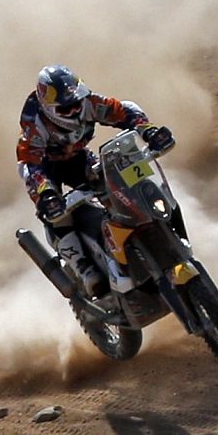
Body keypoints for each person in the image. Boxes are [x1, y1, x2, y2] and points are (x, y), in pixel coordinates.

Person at [17, 65, 174, 296]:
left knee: (118, 185)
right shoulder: (35, 126)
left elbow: (124, 110)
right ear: (49, 108)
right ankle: (84, 268)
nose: (74, 110)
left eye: (76, 102)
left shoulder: (89, 103)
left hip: (80, 158)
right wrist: (46, 193)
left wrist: (148, 131)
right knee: (55, 213)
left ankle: (141, 234)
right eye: (66, 108)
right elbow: (30, 164)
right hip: (46, 170)